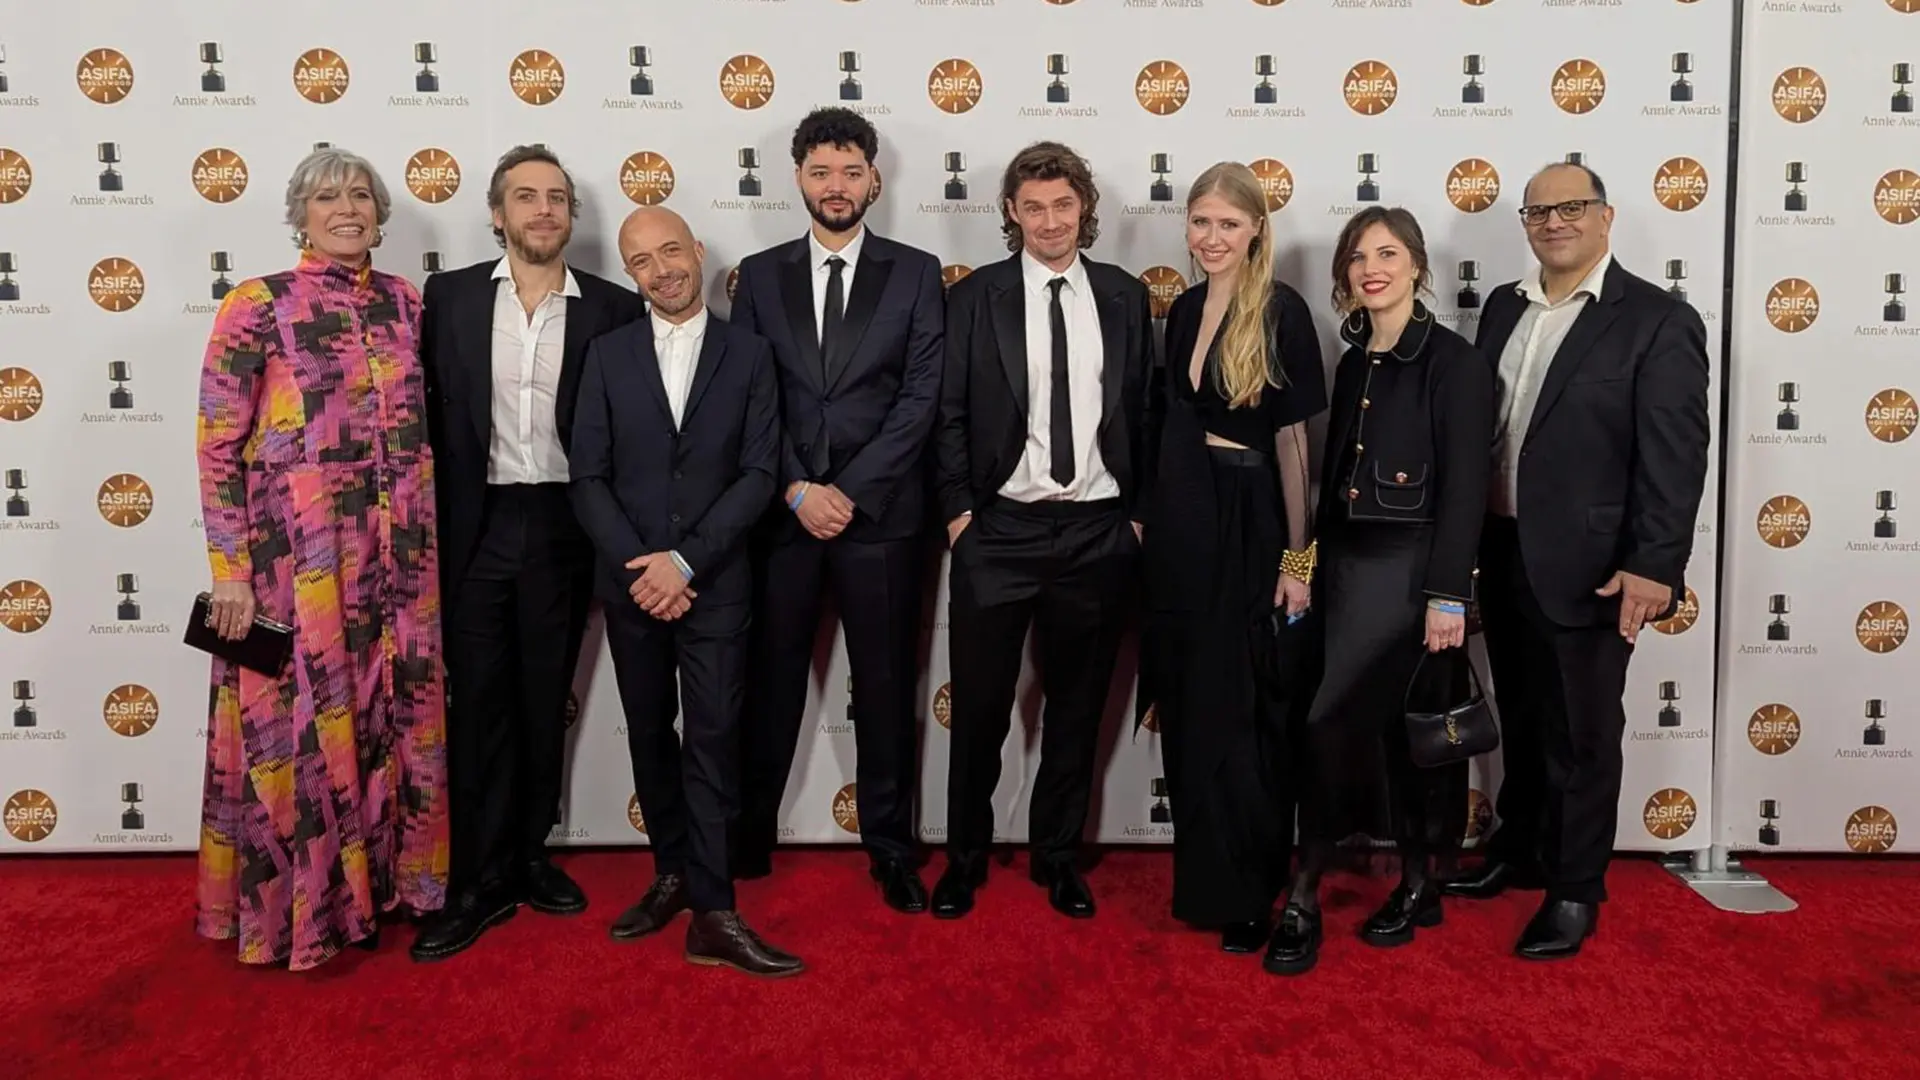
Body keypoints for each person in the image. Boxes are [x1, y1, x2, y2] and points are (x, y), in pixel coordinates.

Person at [1443, 161, 1710, 960]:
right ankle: (1522, 851)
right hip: (1503, 549)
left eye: (1571, 207)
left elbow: (1674, 457)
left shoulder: (1658, 320)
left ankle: (1574, 889)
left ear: (1605, 216)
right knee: (1524, 717)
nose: (1554, 222)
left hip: (1596, 567)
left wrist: (1655, 564)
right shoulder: (1504, 306)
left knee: (1583, 735)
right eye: (1538, 211)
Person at [194, 146, 447, 970]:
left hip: (401, 557)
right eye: (328, 197)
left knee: (393, 717)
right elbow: (217, 446)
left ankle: (388, 891)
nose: (347, 210)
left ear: (380, 213)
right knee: (301, 727)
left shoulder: (405, 302)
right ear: (300, 215)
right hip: (295, 559)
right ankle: (302, 913)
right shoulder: (257, 304)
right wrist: (230, 571)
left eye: (361, 196)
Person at [410, 146, 646, 962]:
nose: (543, 210)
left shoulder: (613, 308)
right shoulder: (447, 299)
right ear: (497, 213)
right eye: (525, 197)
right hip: (475, 525)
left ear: (571, 215)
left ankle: (530, 855)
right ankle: (478, 879)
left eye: (556, 198)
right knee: (478, 703)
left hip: (563, 526)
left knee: (547, 699)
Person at [568, 205, 800, 977]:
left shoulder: (750, 353)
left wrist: (686, 563)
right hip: (633, 585)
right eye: (641, 260)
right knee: (647, 732)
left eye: (671, 251)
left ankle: (714, 908)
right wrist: (644, 567)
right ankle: (671, 871)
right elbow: (588, 476)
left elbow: (759, 474)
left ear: (697, 251)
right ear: (629, 272)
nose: (661, 270)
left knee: (712, 740)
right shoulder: (606, 355)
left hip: (715, 584)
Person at [1265, 207, 1493, 977]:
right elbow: (1332, 485)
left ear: (1417, 266)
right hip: (1345, 570)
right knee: (1386, 734)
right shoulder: (1355, 356)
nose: (1372, 269)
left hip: (1410, 573)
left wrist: (1448, 596)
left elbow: (1465, 489)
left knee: (1370, 729)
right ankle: (1419, 884)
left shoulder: (1455, 363)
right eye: (1359, 257)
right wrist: (1303, 569)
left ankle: (1306, 893)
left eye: (1388, 254)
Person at [931, 142, 1156, 920]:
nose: (1050, 222)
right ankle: (964, 858)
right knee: (980, 711)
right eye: (1034, 208)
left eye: (1063, 205)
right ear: (1012, 213)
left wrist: (1135, 517)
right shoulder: (974, 297)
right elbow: (948, 414)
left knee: (1076, 710)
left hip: (1098, 532)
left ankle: (1057, 857)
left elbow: (1146, 411)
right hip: (998, 532)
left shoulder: (1125, 295)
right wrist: (960, 517)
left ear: (1084, 208)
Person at [730, 109, 944, 912]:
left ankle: (890, 847)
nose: (836, 186)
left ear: (874, 180)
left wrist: (848, 492)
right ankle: (747, 836)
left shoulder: (916, 272)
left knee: (884, 689)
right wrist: (795, 487)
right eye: (821, 171)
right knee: (770, 680)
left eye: (851, 171)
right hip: (783, 518)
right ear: (798, 179)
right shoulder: (759, 275)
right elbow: (750, 395)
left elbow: (920, 398)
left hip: (881, 518)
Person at [1137, 162, 1324, 954]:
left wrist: (1298, 563)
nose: (1212, 238)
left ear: (1256, 231)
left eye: (1229, 224)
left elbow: (1296, 447)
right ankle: (1207, 884)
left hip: (1251, 526)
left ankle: (1252, 891)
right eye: (1201, 222)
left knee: (1245, 715)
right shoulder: (1182, 308)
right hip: (1182, 523)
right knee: (1189, 707)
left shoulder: (1280, 311)